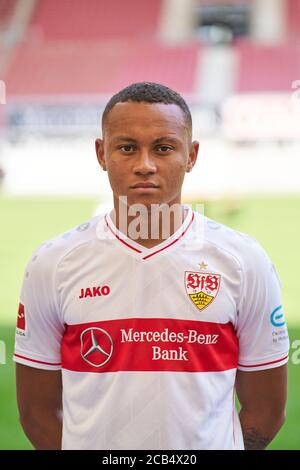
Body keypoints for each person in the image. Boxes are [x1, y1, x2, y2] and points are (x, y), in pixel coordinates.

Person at [14, 82, 289, 450]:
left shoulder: (244, 261)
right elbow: (36, 412)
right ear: (101, 153)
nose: (145, 165)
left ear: (191, 156)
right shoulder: (52, 263)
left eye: (163, 148)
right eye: (127, 148)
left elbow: (267, 409)